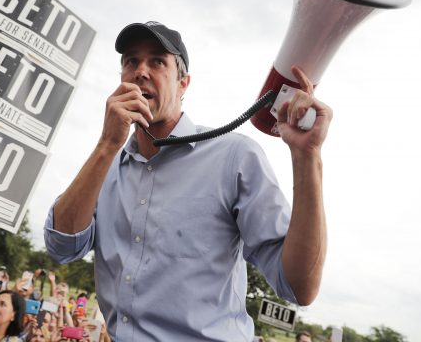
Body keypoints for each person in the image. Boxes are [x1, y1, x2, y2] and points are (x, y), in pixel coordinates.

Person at [44, 21, 332, 341]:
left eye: (157, 61)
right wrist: (106, 145)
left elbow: (299, 287)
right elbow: (61, 247)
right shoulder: (104, 166)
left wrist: (308, 157)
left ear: (183, 84)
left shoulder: (234, 157)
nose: (141, 71)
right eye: (130, 61)